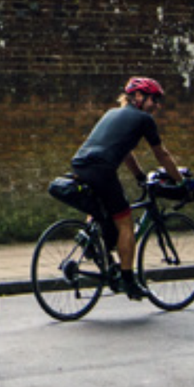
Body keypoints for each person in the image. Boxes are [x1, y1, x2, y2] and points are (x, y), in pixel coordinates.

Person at [71, 77, 185, 300]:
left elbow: (125, 151)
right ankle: (128, 280)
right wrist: (180, 181)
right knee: (125, 221)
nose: (157, 105)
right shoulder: (143, 119)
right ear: (139, 97)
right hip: (101, 169)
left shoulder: (112, 113)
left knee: (100, 207)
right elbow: (161, 154)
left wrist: (139, 176)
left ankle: (89, 238)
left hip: (79, 164)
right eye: (154, 99)